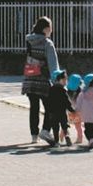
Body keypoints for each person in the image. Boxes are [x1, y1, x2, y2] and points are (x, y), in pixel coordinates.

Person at [21, 16, 57, 144]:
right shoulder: (47, 43)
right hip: (42, 80)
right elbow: (53, 65)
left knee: (34, 107)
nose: (51, 31)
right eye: (50, 28)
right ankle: (46, 130)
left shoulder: (29, 41)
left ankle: (34, 135)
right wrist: (56, 80)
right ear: (46, 29)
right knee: (51, 106)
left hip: (29, 79)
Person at [44, 69, 74, 147]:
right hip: (62, 112)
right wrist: (71, 109)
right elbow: (67, 102)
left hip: (53, 113)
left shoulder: (50, 90)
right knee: (65, 126)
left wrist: (48, 111)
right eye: (64, 79)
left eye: (66, 79)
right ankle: (67, 136)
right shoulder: (63, 90)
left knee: (55, 128)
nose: (65, 81)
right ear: (57, 80)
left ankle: (57, 142)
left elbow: (47, 102)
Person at [66, 74, 84, 145]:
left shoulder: (67, 90)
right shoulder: (80, 91)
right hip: (78, 111)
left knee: (65, 124)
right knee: (78, 126)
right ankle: (80, 138)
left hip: (69, 111)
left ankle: (63, 136)